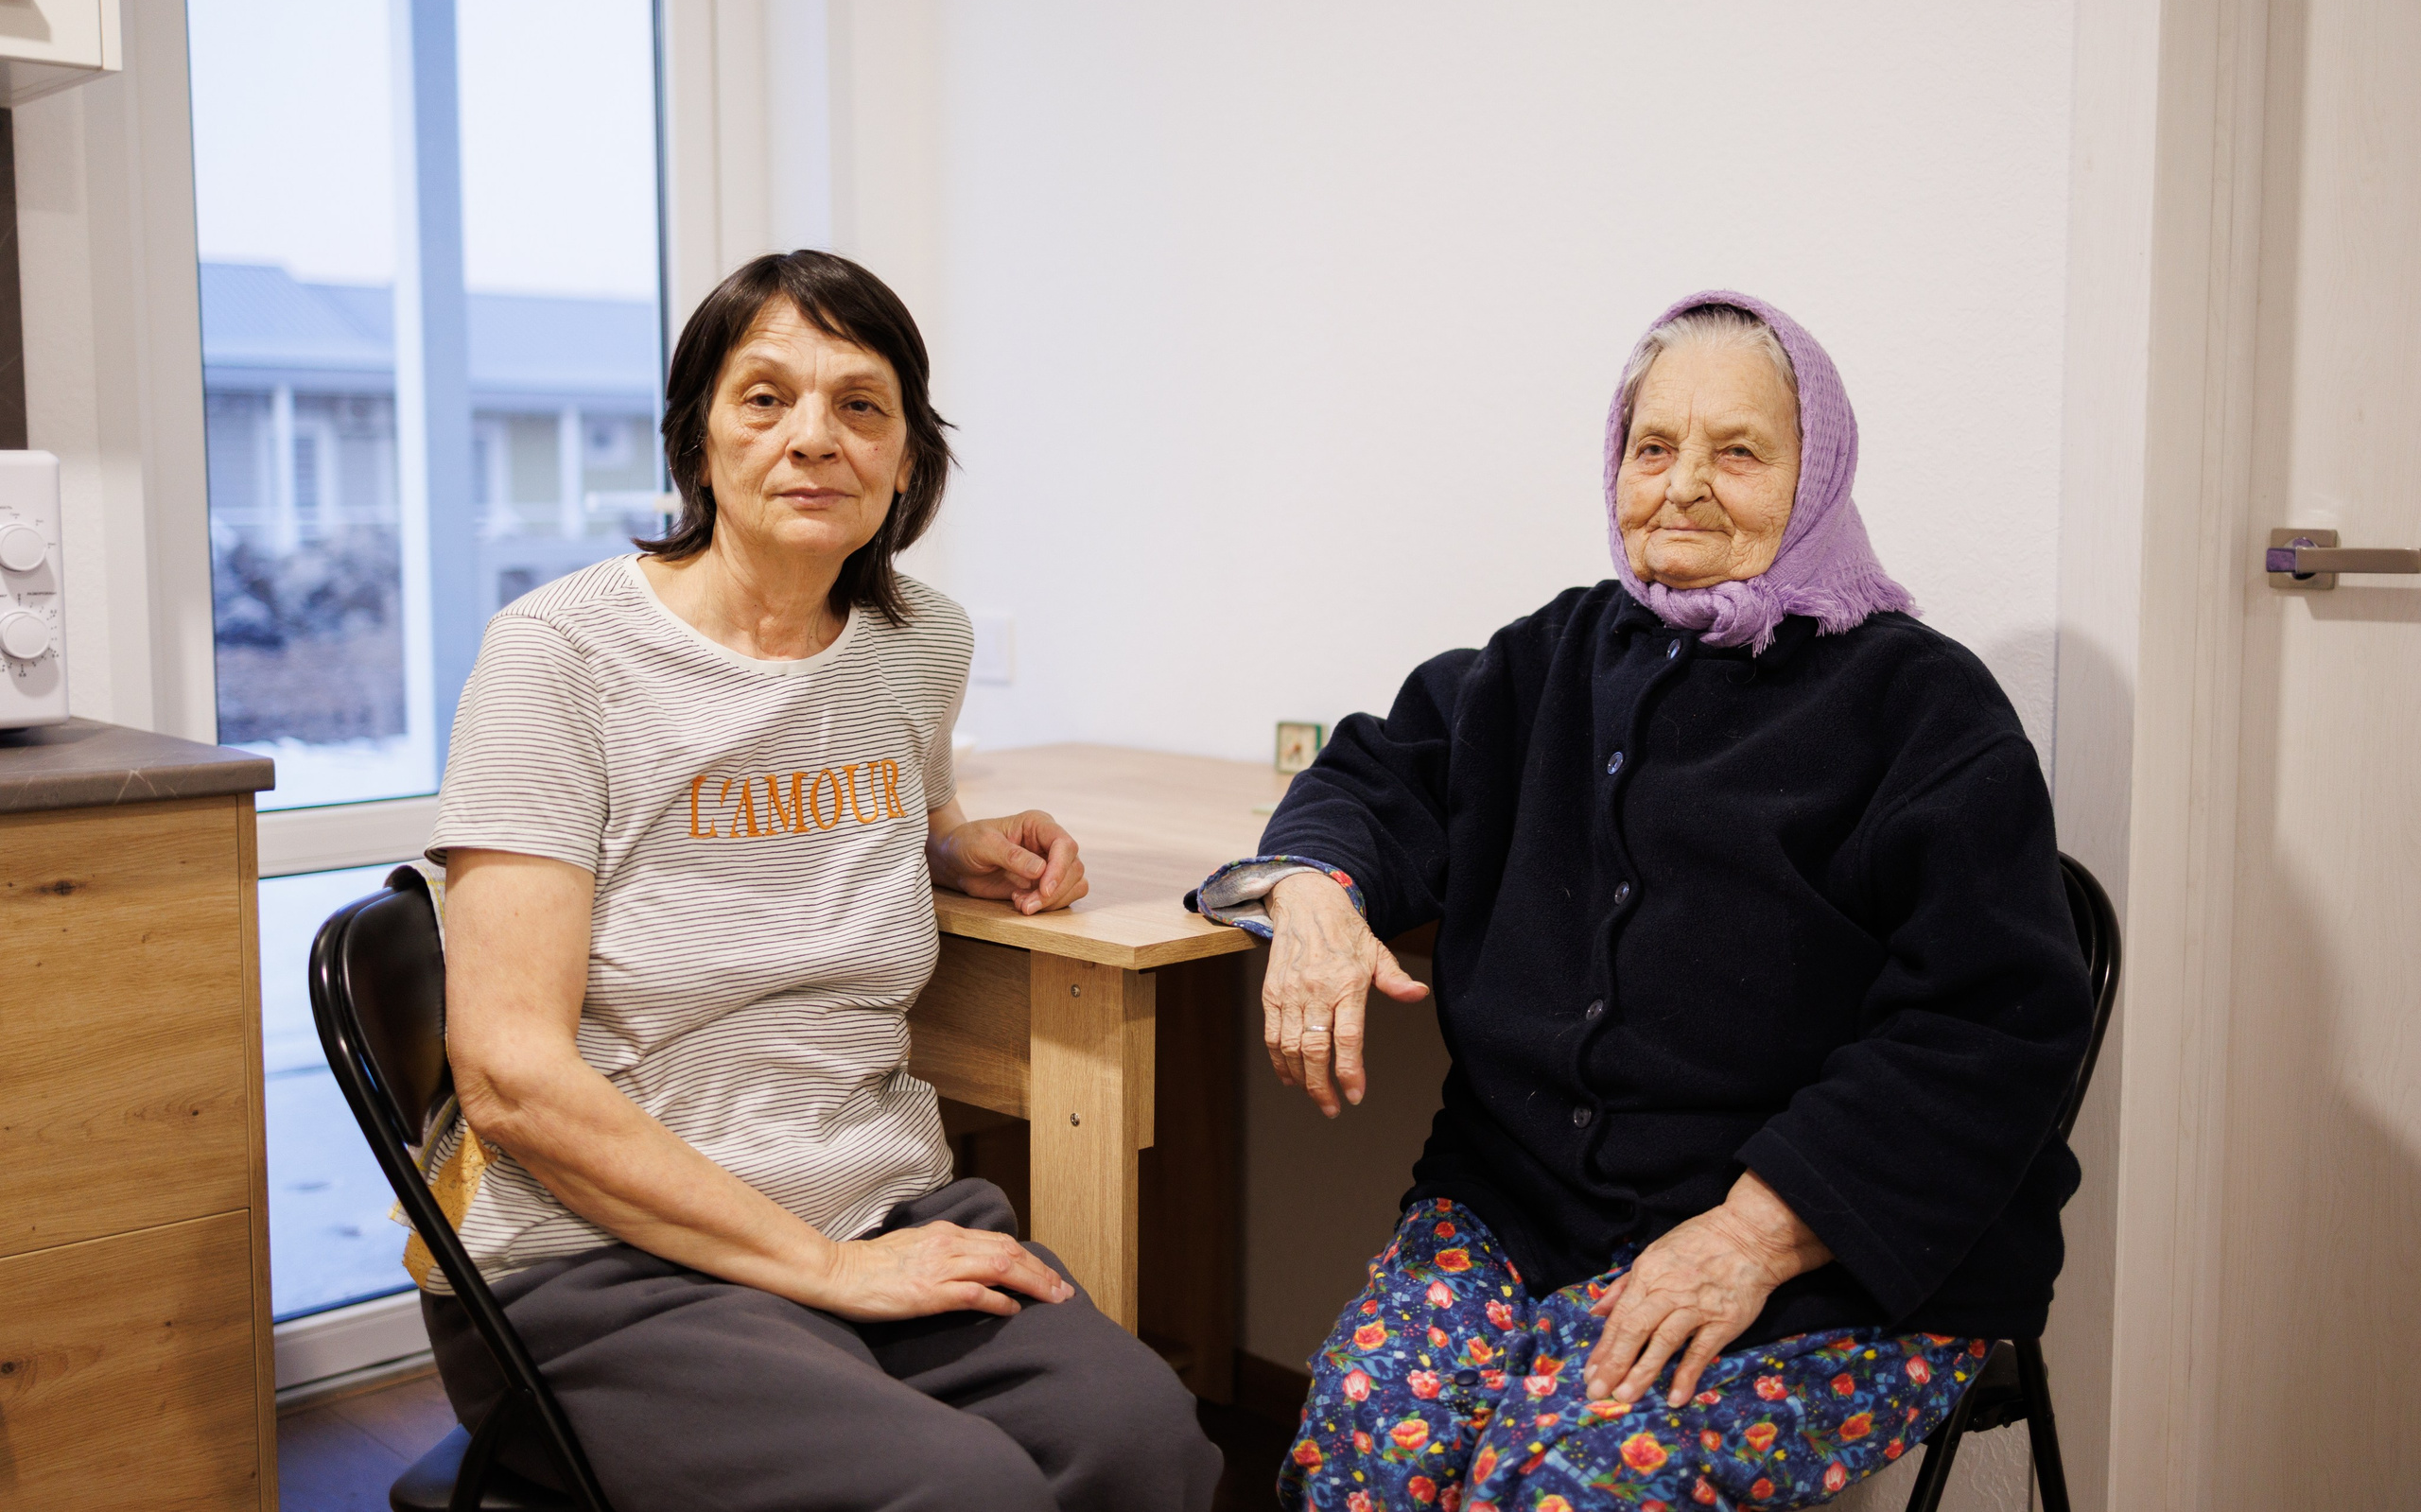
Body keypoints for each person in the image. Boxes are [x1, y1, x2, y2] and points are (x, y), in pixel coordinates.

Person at [1192, 293, 2091, 1511]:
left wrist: (1751, 1237)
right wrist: (1311, 892)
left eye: (1738, 451)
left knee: (1563, 1484)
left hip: (1816, 1252)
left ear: (1816, 472)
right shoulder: (1547, 659)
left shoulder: (1921, 708)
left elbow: (1992, 1026)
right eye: (1652, 446)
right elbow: (1374, 776)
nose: (1682, 486)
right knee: (1366, 1450)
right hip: (1518, 1215)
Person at [416, 251, 1221, 1512]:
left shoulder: (916, 645)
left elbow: (862, 786)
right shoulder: (559, 655)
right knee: (959, 1495)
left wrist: (951, 842)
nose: (814, 439)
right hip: (599, 1254)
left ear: (908, 460)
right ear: (696, 444)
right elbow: (511, 1078)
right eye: (765, 398)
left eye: (861, 405)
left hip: (871, 1203)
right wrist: (824, 1272)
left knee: (1148, 1444)